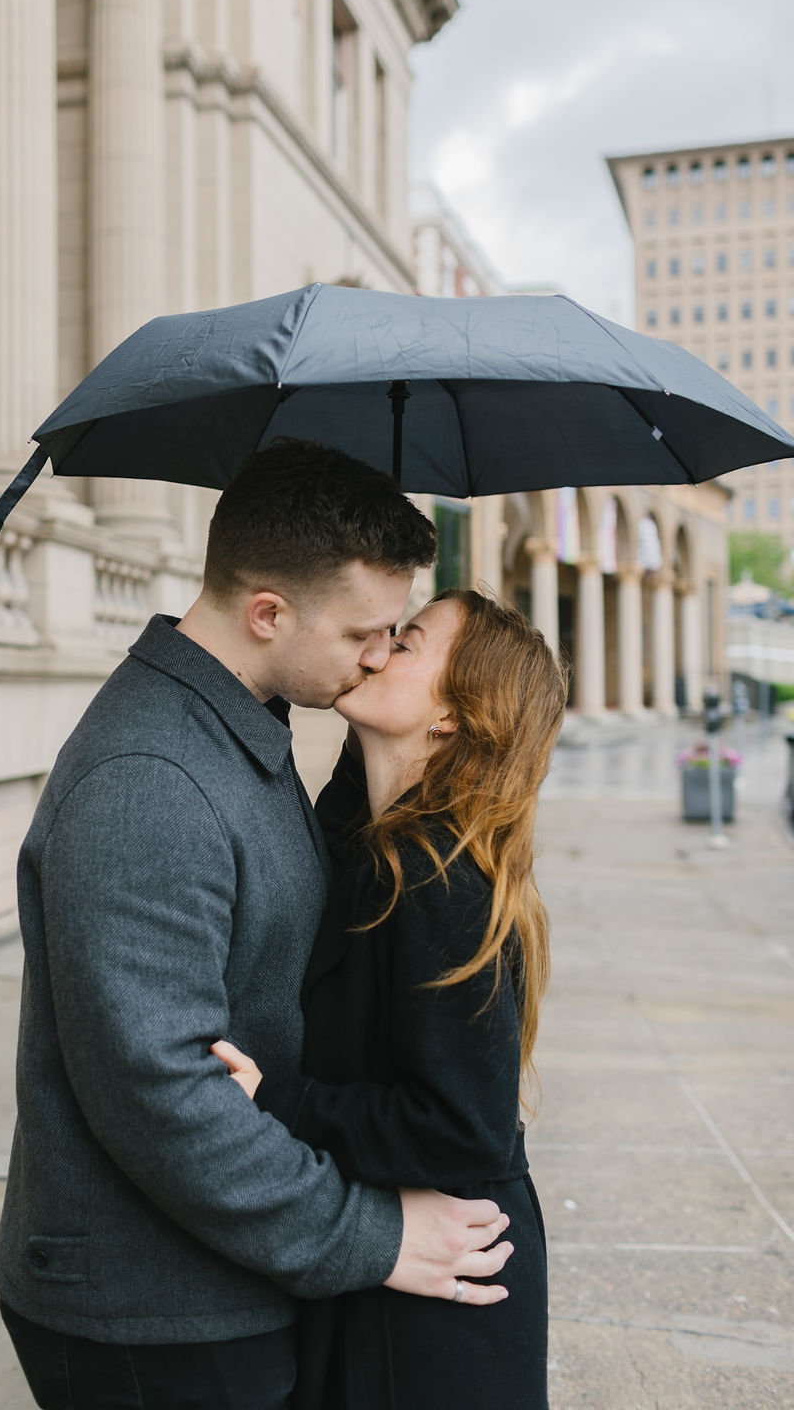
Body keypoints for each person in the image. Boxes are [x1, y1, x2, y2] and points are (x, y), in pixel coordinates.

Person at [0, 443, 514, 1410]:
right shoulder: (151, 777)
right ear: (268, 612)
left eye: (397, 634)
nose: (377, 654)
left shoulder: (242, 728)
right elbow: (161, 1093)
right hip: (151, 1309)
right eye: (366, 631)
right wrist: (371, 1234)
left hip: (220, 1276)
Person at [213, 587, 568, 1408]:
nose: (375, 650)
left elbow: (463, 1128)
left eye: (405, 644)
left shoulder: (439, 878)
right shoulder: (369, 834)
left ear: (452, 714)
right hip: (390, 1267)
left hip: (446, 1303)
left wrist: (276, 1098)